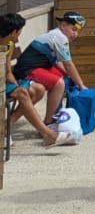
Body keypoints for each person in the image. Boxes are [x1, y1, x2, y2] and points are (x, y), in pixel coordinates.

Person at [12, 12, 87, 123]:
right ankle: (49, 121)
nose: (75, 34)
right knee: (59, 84)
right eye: (74, 29)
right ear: (63, 25)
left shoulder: (56, 35)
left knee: (62, 77)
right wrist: (81, 85)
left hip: (34, 67)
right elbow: (68, 65)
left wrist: (68, 75)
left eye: (77, 31)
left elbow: (59, 63)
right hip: (26, 71)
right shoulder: (60, 38)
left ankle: (55, 114)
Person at [1, 14, 58, 146]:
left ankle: (6, 126)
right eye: (20, 31)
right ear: (13, 32)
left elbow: (8, 71)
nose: (20, 34)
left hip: (4, 81)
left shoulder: (9, 44)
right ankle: (47, 134)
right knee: (22, 93)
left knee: (39, 89)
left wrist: (15, 84)